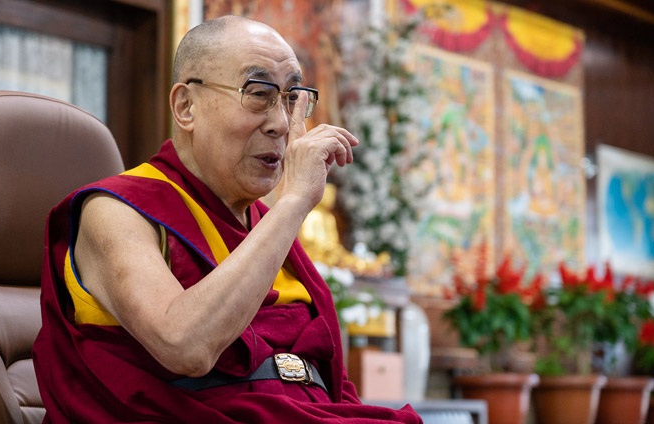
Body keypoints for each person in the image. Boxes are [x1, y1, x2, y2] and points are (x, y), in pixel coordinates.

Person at [33, 15, 422, 423]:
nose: (282, 124)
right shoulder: (116, 211)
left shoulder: (265, 229)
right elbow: (184, 345)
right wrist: (292, 203)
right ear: (186, 107)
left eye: (292, 98)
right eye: (259, 94)